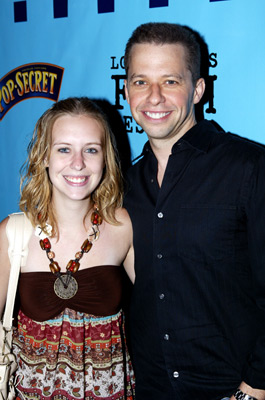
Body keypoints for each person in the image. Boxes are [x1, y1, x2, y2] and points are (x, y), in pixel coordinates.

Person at [123, 22, 265, 400]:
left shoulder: (249, 167)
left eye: (170, 81)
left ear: (198, 89)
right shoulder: (122, 186)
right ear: (125, 90)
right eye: (140, 82)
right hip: (150, 389)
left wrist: (252, 391)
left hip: (231, 389)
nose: (154, 97)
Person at [0, 97, 135, 400]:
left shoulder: (123, 226)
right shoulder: (13, 233)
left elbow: (165, 308)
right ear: (44, 156)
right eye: (64, 149)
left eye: (91, 150)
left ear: (105, 159)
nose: (78, 163)